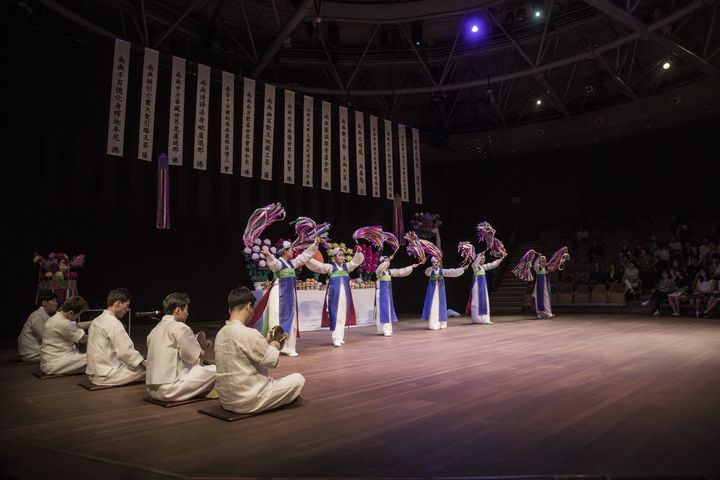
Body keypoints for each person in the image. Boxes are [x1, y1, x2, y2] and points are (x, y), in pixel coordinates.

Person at [215, 287, 304, 414]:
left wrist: (266, 343)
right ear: (248, 306)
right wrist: (274, 345)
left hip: (226, 401)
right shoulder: (249, 333)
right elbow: (271, 361)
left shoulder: (220, 333)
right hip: (248, 399)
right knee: (298, 379)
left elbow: (249, 350)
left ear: (230, 309)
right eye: (252, 308)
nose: (253, 312)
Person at [252, 237, 319, 356]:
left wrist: (314, 245)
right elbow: (274, 264)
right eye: (290, 250)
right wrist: (268, 255)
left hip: (289, 293)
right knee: (276, 317)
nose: (292, 252)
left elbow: (304, 257)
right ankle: (275, 345)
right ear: (285, 251)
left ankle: (289, 347)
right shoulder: (279, 263)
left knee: (291, 319)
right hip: (278, 292)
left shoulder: (292, 264)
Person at [146, 293, 216, 401]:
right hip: (171, 389)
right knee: (218, 369)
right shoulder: (181, 327)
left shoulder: (153, 330)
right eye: (186, 310)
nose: (187, 313)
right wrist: (202, 347)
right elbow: (193, 357)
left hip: (152, 390)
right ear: (178, 310)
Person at [86, 288, 146, 386]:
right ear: (117, 303)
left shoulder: (98, 319)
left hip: (96, 373)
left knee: (139, 365)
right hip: (107, 375)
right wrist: (146, 365)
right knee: (154, 371)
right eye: (126, 306)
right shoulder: (113, 322)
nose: (127, 310)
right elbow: (126, 352)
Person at [306, 245, 365, 346]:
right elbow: (318, 266)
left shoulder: (347, 266)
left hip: (344, 295)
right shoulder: (330, 267)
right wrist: (307, 257)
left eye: (343, 255)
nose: (342, 257)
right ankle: (335, 338)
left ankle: (340, 337)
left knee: (342, 315)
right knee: (335, 315)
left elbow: (355, 261)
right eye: (339, 255)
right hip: (334, 296)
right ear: (334, 257)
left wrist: (358, 252)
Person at [40, 296, 90, 375]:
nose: (78, 317)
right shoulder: (63, 323)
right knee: (95, 357)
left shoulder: (57, 317)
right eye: (79, 314)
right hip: (56, 362)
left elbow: (77, 325)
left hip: (55, 360)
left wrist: (94, 322)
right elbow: (84, 339)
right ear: (71, 313)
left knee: (93, 358)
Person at [374, 254, 418, 336]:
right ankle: (383, 330)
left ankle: (387, 329)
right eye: (385, 261)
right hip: (381, 294)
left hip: (387, 293)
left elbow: (400, 271)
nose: (388, 262)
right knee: (383, 311)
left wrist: (411, 266)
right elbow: (381, 267)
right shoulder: (379, 271)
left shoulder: (389, 271)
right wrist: (388, 260)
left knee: (388, 310)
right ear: (382, 262)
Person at [422, 257, 466, 330]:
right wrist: (431, 268)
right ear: (432, 263)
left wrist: (461, 269)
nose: (435, 263)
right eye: (434, 262)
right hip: (432, 292)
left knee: (441, 306)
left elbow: (452, 272)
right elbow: (427, 272)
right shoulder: (430, 271)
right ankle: (433, 324)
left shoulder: (442, 271)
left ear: (439, 263)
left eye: (437, 262)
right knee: (433, 307)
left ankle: (442, 323)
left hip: (440, 291)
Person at [17, 290, 58, 363]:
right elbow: (44, 336)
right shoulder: (38, 315)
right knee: (65, 353)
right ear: (44, 303)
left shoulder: (44, 315)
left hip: (35, 351)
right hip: (31, 353)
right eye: (54, 301)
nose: (56, 303)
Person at [469, 251, 506, 324]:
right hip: (477, 287)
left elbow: (492, 265)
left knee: (483, 301)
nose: (483, 259)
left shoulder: (482, 267)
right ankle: (477, 319)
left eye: (484, 258)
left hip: (482, 286)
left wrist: (501, 259)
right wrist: (480, 255)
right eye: (482, 258)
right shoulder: (475, 266)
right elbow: (475, 263)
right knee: (477, 302)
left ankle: (484, 319)